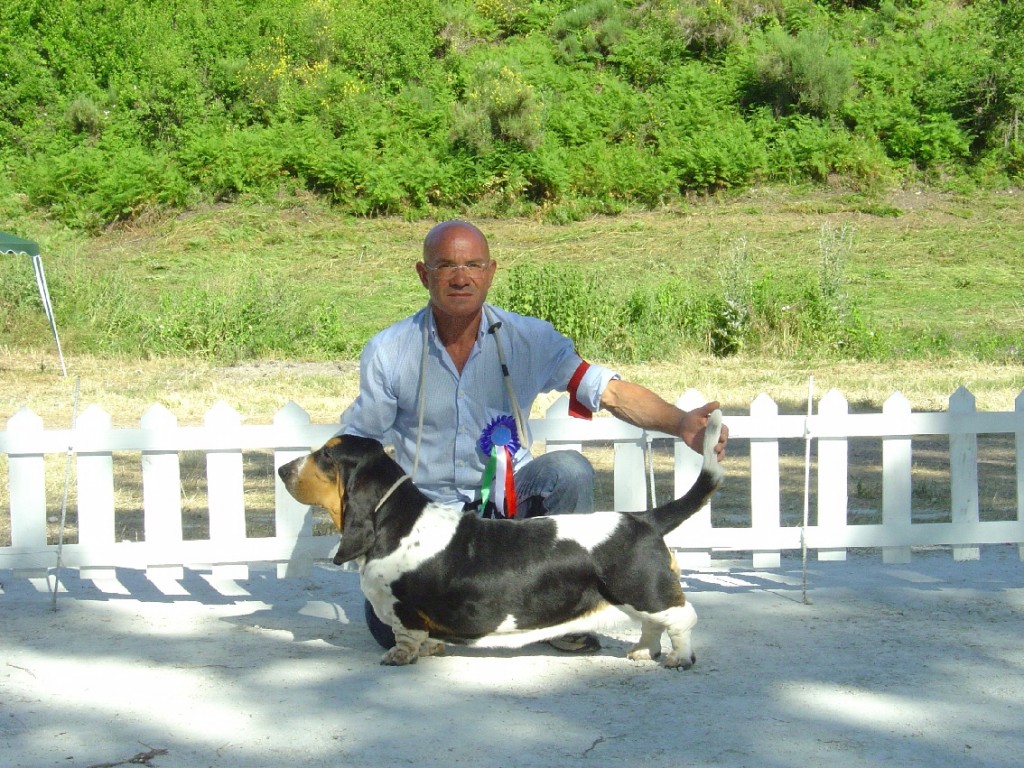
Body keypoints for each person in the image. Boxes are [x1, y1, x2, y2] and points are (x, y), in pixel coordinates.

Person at [339, 220, 728, 653]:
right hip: (429, 523)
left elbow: (608, 391)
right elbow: (360, 443)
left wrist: (681, 423)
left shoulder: (531, 338)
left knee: (569, 470)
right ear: (422, 273)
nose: (461, 277)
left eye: (474, 265)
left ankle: (564, 609)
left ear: (491, 271)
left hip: (512, 511)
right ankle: (472, 613)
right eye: (445, 265)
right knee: (385, 632)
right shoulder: (389, 350)